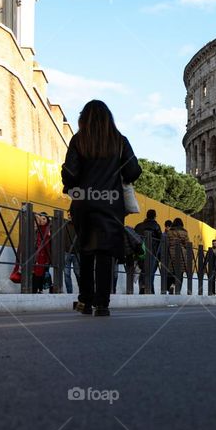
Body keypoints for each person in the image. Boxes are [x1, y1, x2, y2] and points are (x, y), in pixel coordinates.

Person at [61, 99, 141, 316]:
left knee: (86, 250)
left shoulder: (78, 140)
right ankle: (102, 304)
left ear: (83, 119)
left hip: (84, 202)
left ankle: (85, 301)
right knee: (105, 252)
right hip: (111, 203)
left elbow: (69, 173)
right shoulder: (120, 141)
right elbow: (134, 171)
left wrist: (72, 187)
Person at [138, 208, 162, 294]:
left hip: (140, 252)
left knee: (143, 270)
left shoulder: (139, 226)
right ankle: (149, 289)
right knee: (151, 271)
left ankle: (142, 286)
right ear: (155, 217)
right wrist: (160, 256)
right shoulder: (156, 226)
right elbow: (161, 241)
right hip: (152, 252)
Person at [167, 218, 190, 294]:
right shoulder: (184, 232)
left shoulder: (169, 232)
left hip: (171, 253)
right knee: (180, 273)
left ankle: (171, 285)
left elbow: (166, 243)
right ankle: (177, 290)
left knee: (171, 271)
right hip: (181, 254)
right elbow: (187, 244)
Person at [31, 212, 52, 293]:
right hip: (35, 254)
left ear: (47, 220)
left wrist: (49, 258)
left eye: (44, 219)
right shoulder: (37, 228)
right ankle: (34, 290)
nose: (42, 220)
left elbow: (50, 244)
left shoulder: (49, 229)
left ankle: (40, 289)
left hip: (45, 255)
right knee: (34, 273)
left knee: (41, 273)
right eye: (41, 219)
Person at [63, 210, 80, 297]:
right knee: (66, 274)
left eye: (71, 214)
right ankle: (69, 294)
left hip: (77, 253)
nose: (69, 216)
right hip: (66, 252)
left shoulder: (79, 225)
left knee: (78, 273)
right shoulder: (65, 224)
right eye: (68, 215)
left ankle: (81, 291)